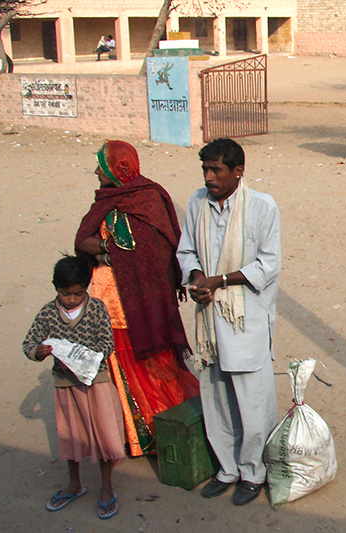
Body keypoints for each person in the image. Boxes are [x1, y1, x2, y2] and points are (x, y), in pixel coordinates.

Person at [75, 140, 199, 457]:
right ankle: (135, 435)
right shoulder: (106, 200)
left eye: (101, 166)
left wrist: (109, 251)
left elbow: (158, 251)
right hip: (110, 300)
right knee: (119, 366)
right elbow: (83, 241)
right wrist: (107, 249)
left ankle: (165, 428)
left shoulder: (148, 199)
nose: (95, 172)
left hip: (141, 304)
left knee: (154, 366)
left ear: (117, 169)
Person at [176, 138, 281, 506]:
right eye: (205, 168)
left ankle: (254, 472)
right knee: (216, 395)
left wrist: (219, 281)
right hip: (209, 321)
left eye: (216, 170)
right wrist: (196, 278)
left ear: (238, 171)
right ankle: (227, 469)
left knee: (253, 401)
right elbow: (186, 249)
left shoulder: (262, 207)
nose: (208, 177)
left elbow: (267, 265)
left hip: (245, 320)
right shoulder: (196, 203)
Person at [22, 255, 125, 520]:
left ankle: (106, 487)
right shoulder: (47, 312)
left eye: (77, 294)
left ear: (87, 288)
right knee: (70, 436)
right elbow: (29, 344)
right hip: (65, 385)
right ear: (55, 288)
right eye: (65, 294)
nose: (71, 299)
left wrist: (84, 358)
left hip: (96, 383)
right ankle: (75, 483)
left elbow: (107, 344)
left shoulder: (97, 308)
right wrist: (40, 352)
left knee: (104, 436)